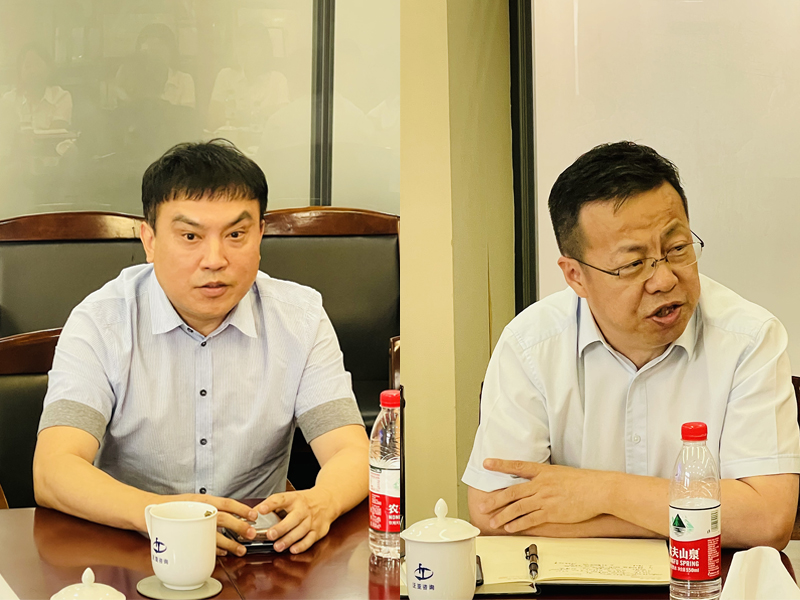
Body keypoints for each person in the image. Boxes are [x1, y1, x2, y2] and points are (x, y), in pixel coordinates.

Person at [33, 139, 370, 557]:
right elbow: (53, 469)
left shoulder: (299, 318)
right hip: (130, 548)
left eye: (236, 235)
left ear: (260, 235)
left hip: (258, 555)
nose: (214, 259)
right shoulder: (102, 322)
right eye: (190, 236)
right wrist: (163, 517)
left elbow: (351, 451)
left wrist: (323, 501)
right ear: (150, 240)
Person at [463, 141, 800, 549]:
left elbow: (768, 520)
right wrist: (693, 516)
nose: (665, 280)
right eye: (633, 264)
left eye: (677, 249)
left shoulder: (750, 338)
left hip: (707, 578)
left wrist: (599, 492)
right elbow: (495, 513)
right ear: (575, 276)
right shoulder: (531, 344)